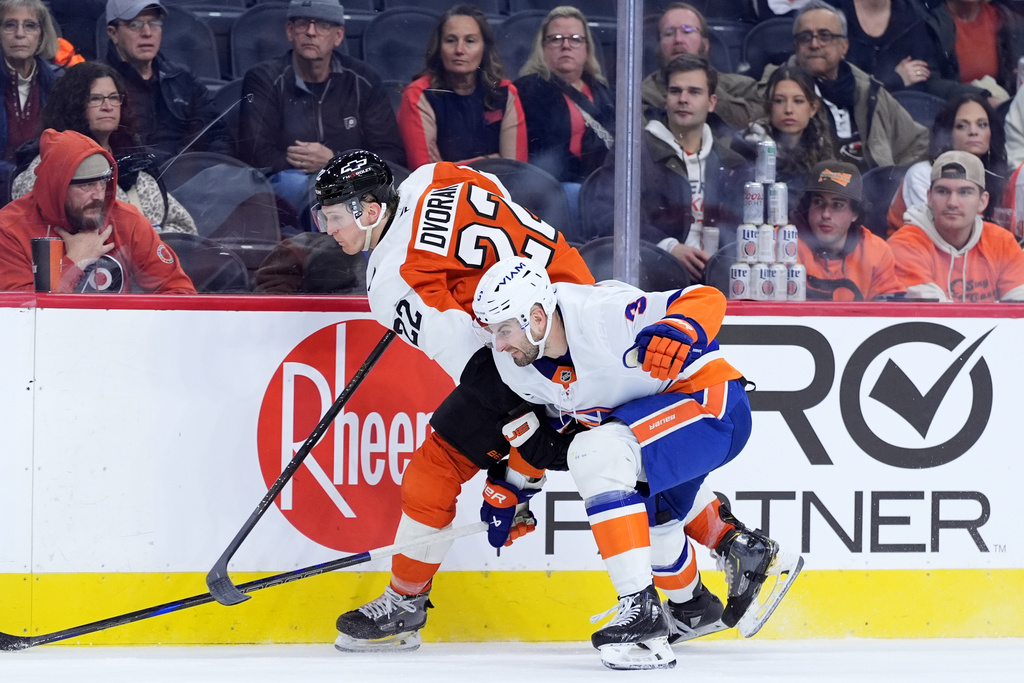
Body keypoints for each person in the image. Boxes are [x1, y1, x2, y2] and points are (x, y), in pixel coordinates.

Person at [313, 150, 764, 654]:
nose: (327, 229)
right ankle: (716, 560)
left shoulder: (389, 279)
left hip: (525, 353)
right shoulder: (438, 174)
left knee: (442, 467)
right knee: (624, 452)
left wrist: (516, 478)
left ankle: (404, 602)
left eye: (332, 216)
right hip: (568, 310)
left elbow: (484, 371)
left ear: (370, 210)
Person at [472, 257, 802, 670]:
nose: (498, 343)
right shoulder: (517, 367)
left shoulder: (602, 314)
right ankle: (698, 603)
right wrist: (516, 489)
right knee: (646, 525)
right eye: (492, 330)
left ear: (537, 317)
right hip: (653, 424)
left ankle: (640, 614)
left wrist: (680, 327)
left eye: (504, 329)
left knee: (595, 452)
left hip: (711, 404)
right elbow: (546, 429)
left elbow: (705, 297)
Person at [238, 0, 405, 223]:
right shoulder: (264, 78)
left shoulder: (363, 79)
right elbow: (256, 153)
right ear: (290, 31)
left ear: (338, 35)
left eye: (323, 26)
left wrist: (335, 163)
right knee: (294, 183)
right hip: (286, 188)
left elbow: (390, 152)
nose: (311, 32)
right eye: (302, 24)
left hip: (351, 185)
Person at [11, 61, 198, 235]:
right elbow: (43, 233)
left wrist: (152, 243)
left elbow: (184, 226)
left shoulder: (134, 162)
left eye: (114, 98)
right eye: (95, 99)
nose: (107, 106)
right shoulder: (48, 165)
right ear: (72, 105)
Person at [0, 128, 195, 293]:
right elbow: (20, 317)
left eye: (103, 183)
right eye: (86, 186)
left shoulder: (126, 220)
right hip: (49, 337)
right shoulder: (10, 230)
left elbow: (179, 291)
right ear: (57, 187)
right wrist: (75, 262)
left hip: (120, 334)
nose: (99, 196)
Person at [760, 0, 929, 169]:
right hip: (814, 190)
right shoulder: (775, 89)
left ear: (844, 46)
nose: (814, 44)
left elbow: (919, 141)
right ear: (795, 47)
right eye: (805, 37)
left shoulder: (868, 89)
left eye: (825, 36)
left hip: (873, 190)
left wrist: (895, 179)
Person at [633, 54, 748, 282]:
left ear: (712, 102)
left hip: (723, 279)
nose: (683, 99)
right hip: (655, 275)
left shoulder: (733, 163)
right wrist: (667, 248)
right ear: (665, 98)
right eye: (676, 91)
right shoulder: (635, 154)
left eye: (694, 92)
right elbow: (609, 216)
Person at [398, 4, 527, 169]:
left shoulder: (506, 91)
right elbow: (424, 173)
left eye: (470, 41)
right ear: (438, 47)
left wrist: (450, 167)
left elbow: (515, 169)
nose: (459, 50)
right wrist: (491, 159)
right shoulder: (418, 94)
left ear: (484, 48)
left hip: (497, 192)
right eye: (450, 40)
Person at [104, 0, 231, 162]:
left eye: (154, 22)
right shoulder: (99, 83)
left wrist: (212, 169)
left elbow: (218, 134)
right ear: (113, 33)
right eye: (135, 24)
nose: (147, 32)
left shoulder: (182, 78)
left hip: (191, 177)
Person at [888, 150, 1024, 302]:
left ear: (982, 201)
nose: (952, 202)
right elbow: (932, 318)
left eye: (964, 192)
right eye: (943, 191)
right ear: (929, 198)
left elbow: (1019, 308)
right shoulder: (905, 244)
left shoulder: (1002, 241)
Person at [514, 5, 614, 202]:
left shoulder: (602, 90)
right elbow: (546, 155)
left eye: (575, 39)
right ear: (543, 47)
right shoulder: (529, 89)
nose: (566, 46)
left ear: (587, 48)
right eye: (556, 39)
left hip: (604, 185)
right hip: (556, 187)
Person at [887, 92, 1008, 234]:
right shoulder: (923, 174)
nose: (974, 132)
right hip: (917, 251)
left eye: (982, 125)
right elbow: (944, 232)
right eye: (962, 126)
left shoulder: (996, 174)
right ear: (947, 133)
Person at [641, 3, 761, 132]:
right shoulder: (643, 95)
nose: (678, 39)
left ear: (705, 44)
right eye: (669, 33)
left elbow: (754, 122)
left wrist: (706, 85)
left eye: (687, 31)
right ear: (659, 47)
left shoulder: (742, 87)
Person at [795, 160, 904, 300]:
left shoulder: (876, 251)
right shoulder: (784, 244)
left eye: (838, 205)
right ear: (807, 205)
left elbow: (888, 311)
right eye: (818, 202)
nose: (826, 214)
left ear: (855, 213)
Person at [832, 0, 982, 99]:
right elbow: (835, 87)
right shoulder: (830, 13)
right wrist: (894, 80)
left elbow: (928, 82)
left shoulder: (914, 17)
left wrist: (979, 95)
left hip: (905, 123)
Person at [732, 63, 835, 198]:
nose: (788, 110)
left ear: (813, 108)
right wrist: (772, 156)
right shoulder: (748, 147)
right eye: (779, 101)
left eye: (798, 101)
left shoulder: (821, 149)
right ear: (769, 107)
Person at [0, 0, 61, 183]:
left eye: (30, 26)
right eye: (10, 25)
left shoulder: (58, 83)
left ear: (41, 35)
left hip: (46, 183)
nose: (20, 34)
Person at [929, 0, 1024, 101]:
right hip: (951, 109)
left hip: (1003, 107)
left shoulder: (1009, 21)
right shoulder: (930, 23)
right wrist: (982, 97)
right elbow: (930, 83)